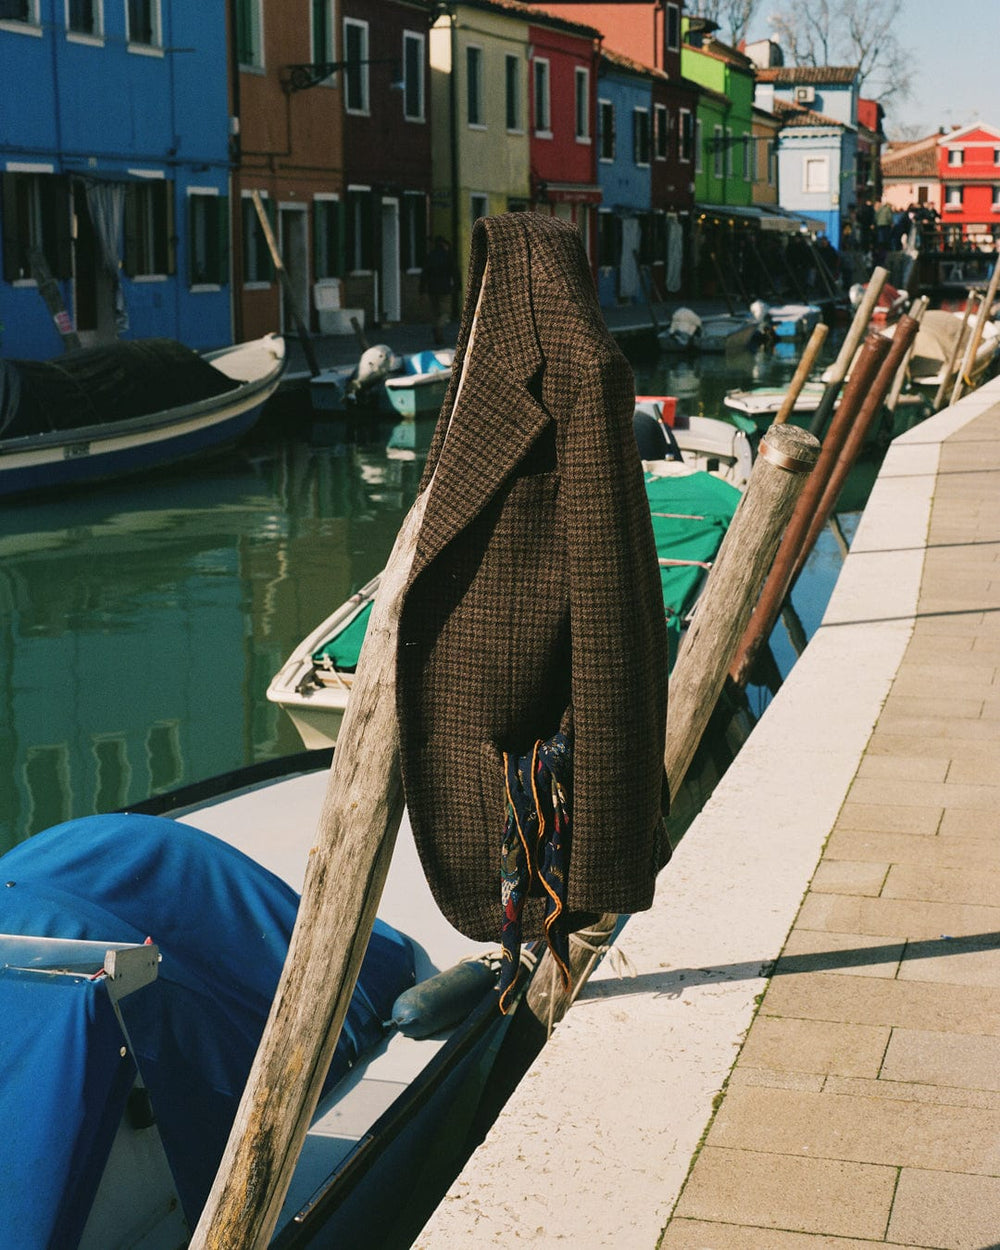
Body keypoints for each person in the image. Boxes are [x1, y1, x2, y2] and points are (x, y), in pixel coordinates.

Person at [420, 236, 457, 345]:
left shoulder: (430, 256)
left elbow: (424, 274)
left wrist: (422, 289)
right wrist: (457, 286)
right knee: (446, 312)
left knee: (435, 312)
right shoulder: (448, 256)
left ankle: (437, 330)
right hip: (445, 288)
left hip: (432, 288)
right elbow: (455, 272)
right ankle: (439, 327)